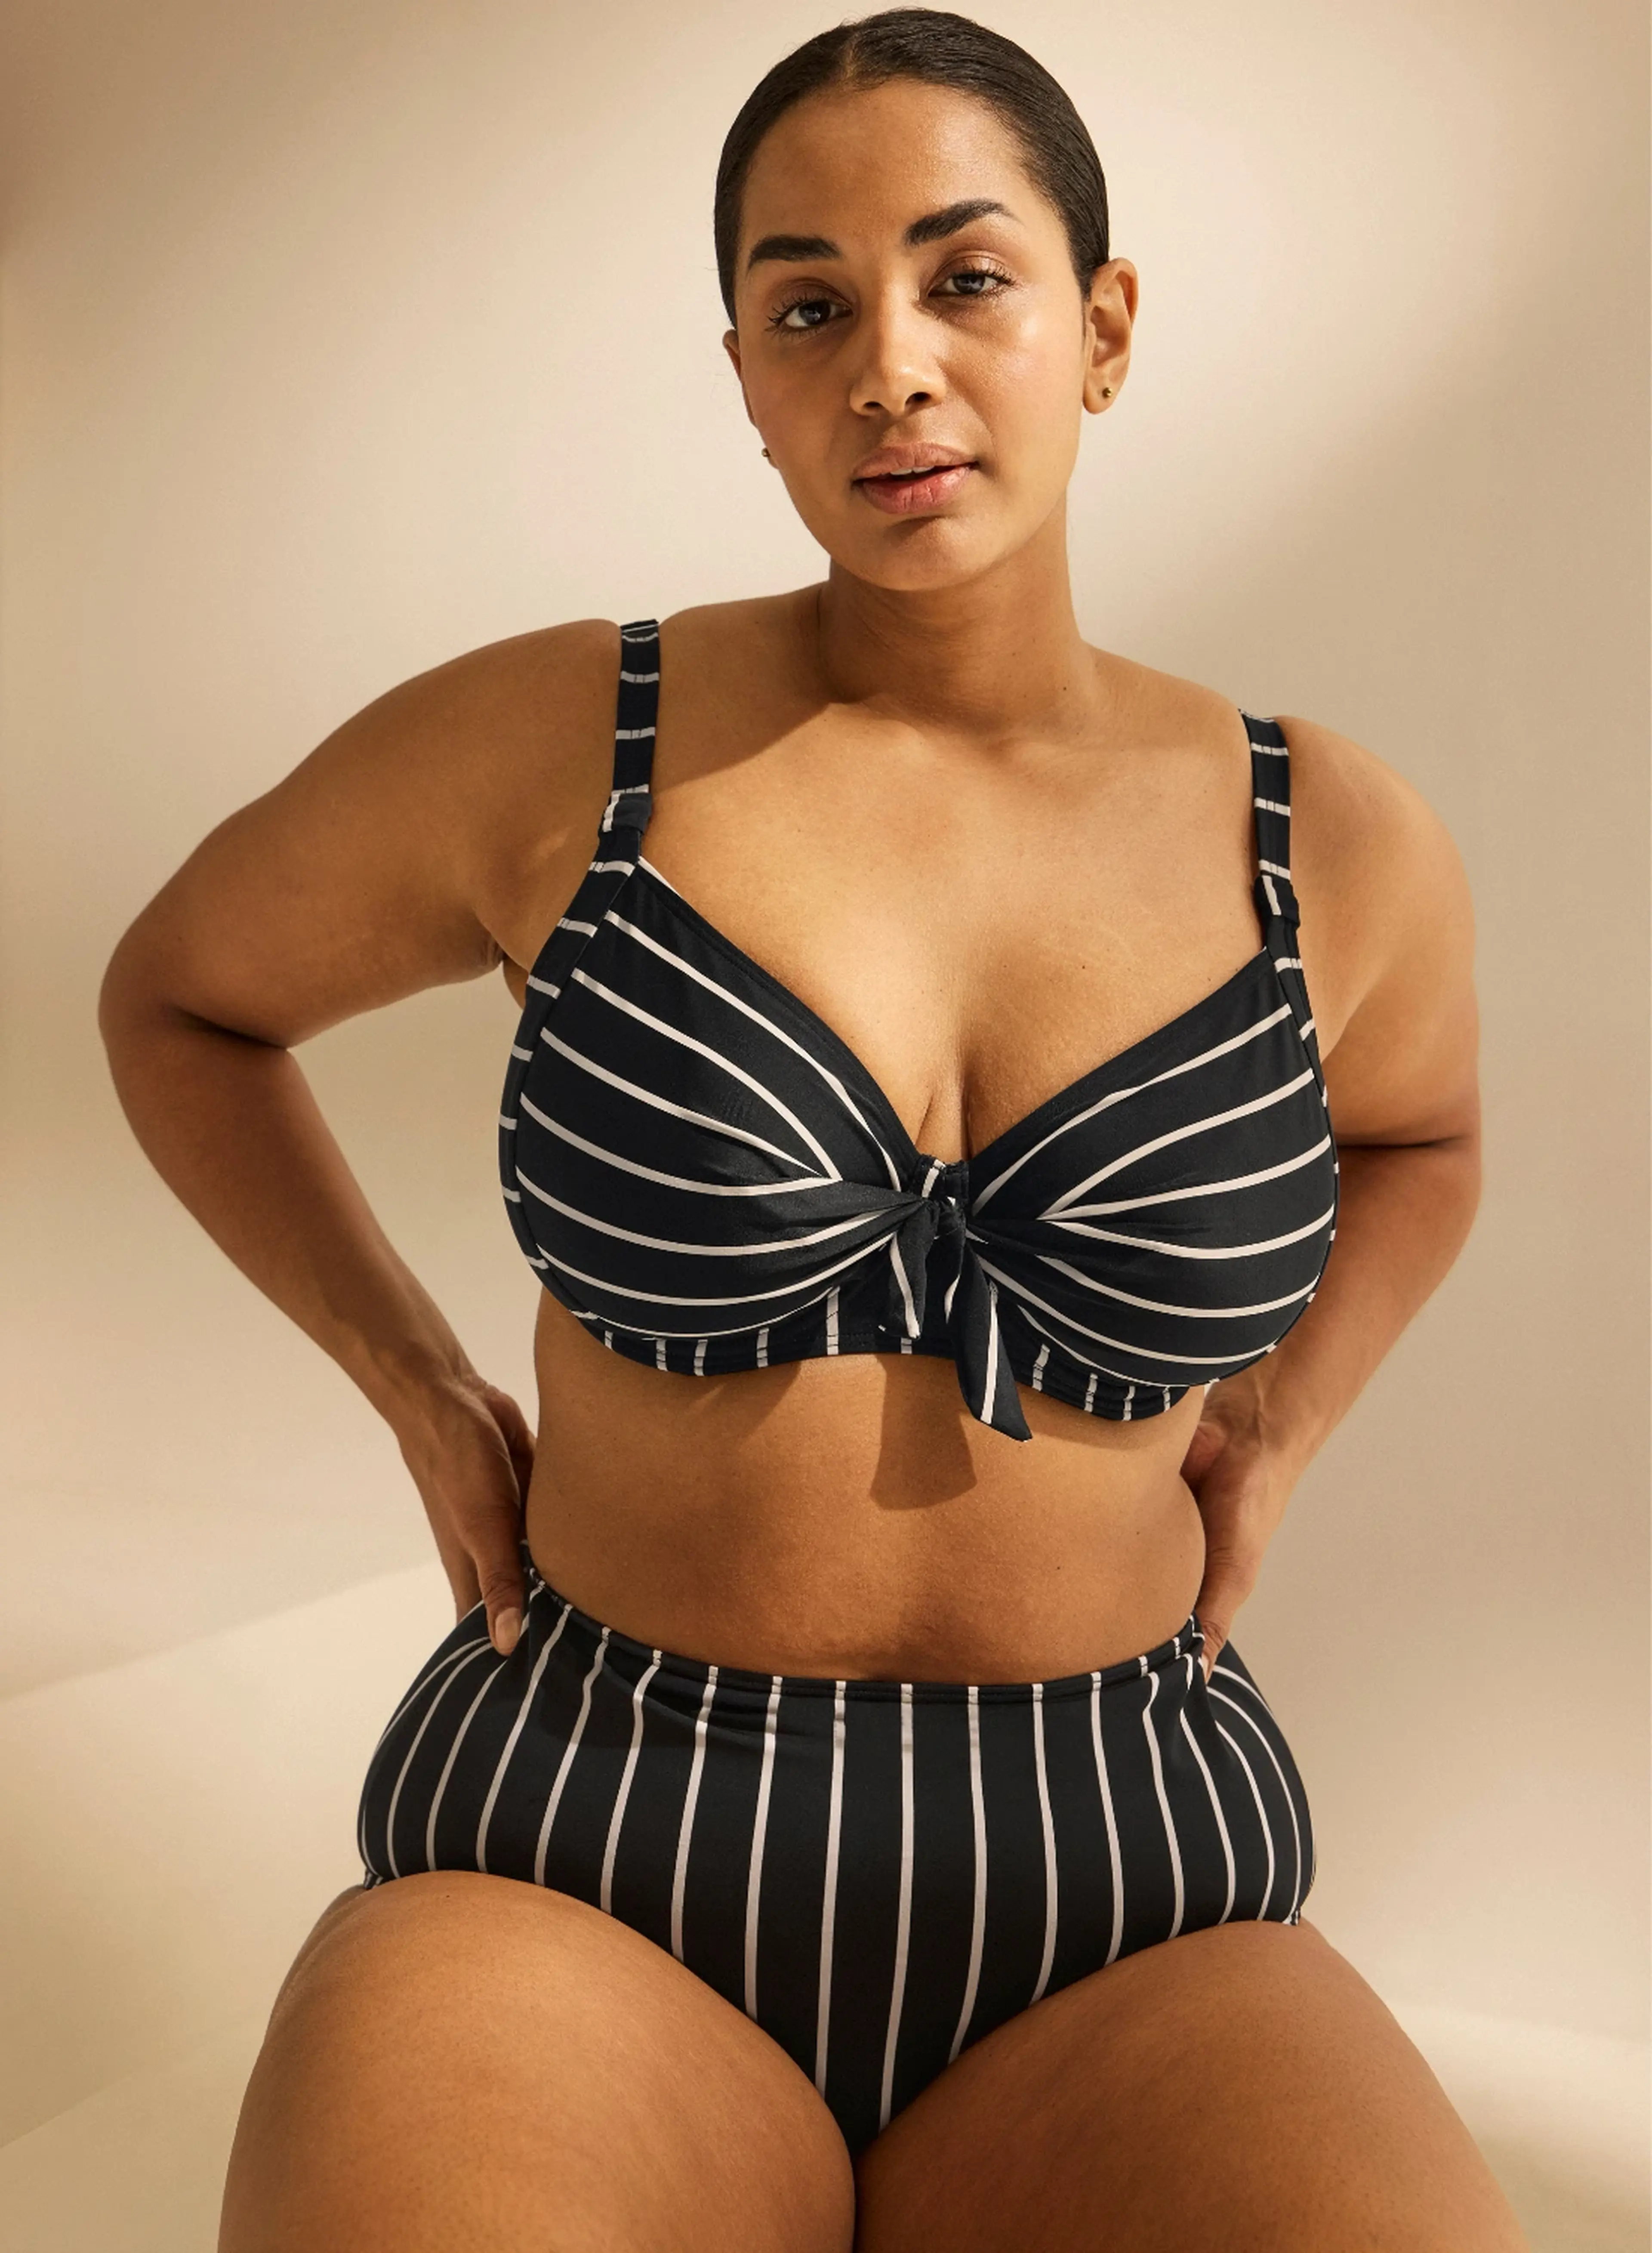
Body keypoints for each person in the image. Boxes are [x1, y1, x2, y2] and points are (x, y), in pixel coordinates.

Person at [100, 11, 1523, 2248]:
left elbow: (1423, 1140)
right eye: (809, 308)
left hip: (1128, 1891)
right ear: (748, 382)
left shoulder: (1323, 837)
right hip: (592, 1853)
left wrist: (1286, 1421)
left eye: (969, 279)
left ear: (1103, 327)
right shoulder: (566, 742)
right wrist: (417, 1387)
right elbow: (184, 996)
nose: (891, 368)